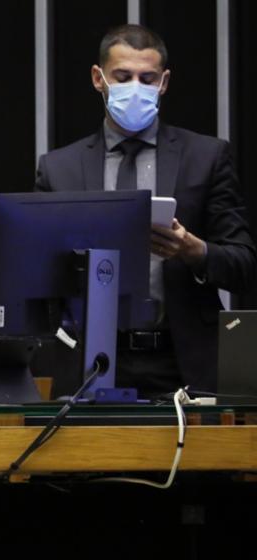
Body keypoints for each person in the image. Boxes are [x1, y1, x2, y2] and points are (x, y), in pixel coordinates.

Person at [34, 24, 256, 394]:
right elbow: (37, 274)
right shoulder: (59, 168)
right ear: (98, 78)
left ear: (163, 83)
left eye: (147, 78)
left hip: (183, 363)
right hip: (90, 363)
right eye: (123, 77)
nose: (136, 87)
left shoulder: (206, 157)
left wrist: (193, 251)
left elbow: (243, 265)